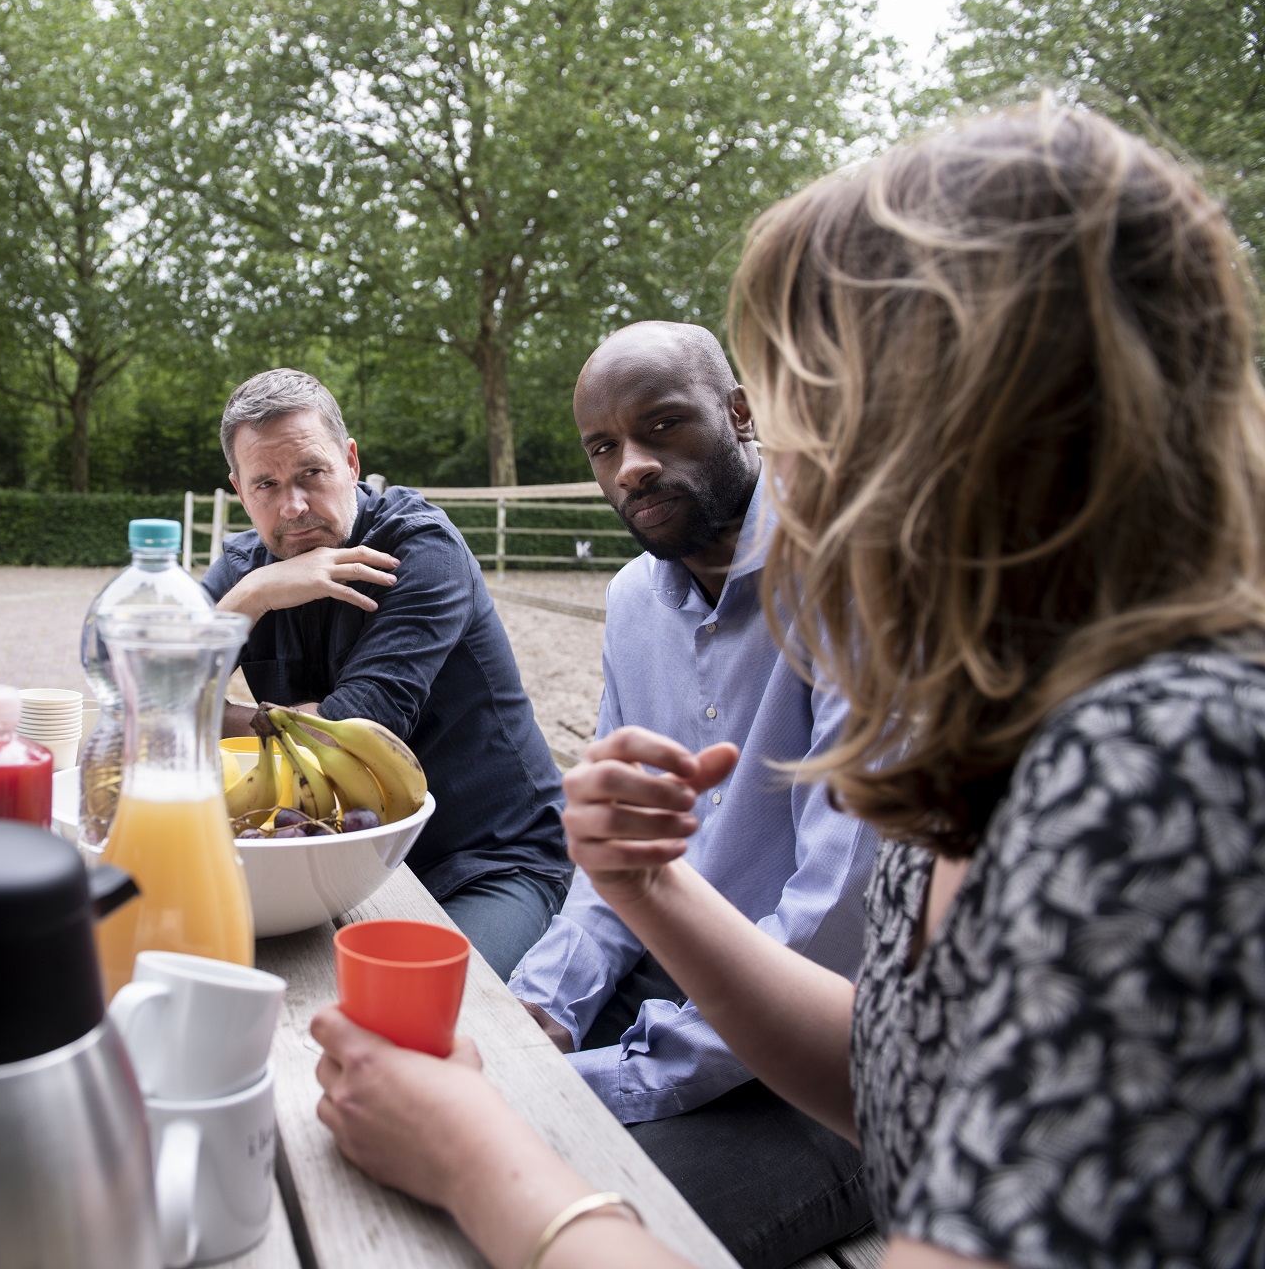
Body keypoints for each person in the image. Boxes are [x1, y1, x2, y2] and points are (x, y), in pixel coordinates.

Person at [308, 100, 1265, 1269]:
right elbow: (900, 1074)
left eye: (810, 394)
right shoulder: (1018, 725)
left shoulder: (1163, 773)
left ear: (978, 420)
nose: (788, 459)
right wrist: (637, 888)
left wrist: (482, 1152)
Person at [506, 321, 878, 1267]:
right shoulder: (634, 601)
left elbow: (837, 923)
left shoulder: (856, 577)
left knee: (547, 1208)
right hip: (670, 976)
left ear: (740, 414)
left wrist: (602, 1077)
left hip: (838, 1062)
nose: (631, 466)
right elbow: (616, 860)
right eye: (603, 447)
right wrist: (542, 1012)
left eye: (662, 425)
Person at [201, 369, 571, 980]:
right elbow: (141, 686)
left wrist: (210, 715)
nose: (293, 506)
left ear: (350, 462)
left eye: (311, 473)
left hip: (486, 859)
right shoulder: (248, 570)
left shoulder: (421, 548)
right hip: (338, 851)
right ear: (240, 491)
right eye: (267, 484)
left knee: (425, 1000)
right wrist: (251, 597)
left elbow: (352, 729)